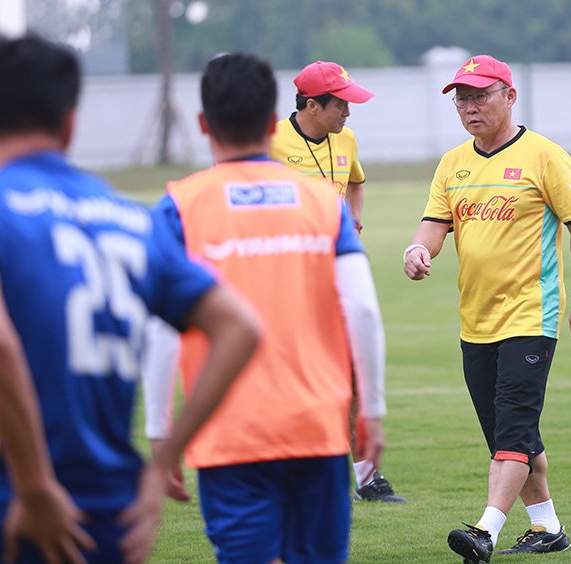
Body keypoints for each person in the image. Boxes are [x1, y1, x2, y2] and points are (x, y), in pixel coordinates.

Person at [0, 34, 259, 564]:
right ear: (70, 125)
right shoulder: (130, 218)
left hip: (10, 509)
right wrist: (164, 457)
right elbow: (240, 328)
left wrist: (33, 486)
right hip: (112, 516)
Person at [142, 51, 388, 563]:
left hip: (230, 429)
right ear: (271, 118)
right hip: (317, 425)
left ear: (204, 123)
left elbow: (161, 328)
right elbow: (362, 309)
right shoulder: (323, 205)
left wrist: (160, 433)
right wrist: (373, 413)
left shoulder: (180, 206)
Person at [403, 54, 571, 563]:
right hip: (476, 320)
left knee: (511, 431)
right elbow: (435, 223)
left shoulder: (545, 156)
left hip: (532, 315)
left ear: (510, 96)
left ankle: (484, 531)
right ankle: (547, 527)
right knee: (512, 434)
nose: (469, 107)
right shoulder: (452, 162)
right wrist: (418, 248)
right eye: (461, 99)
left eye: (480, 96)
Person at [270, 60, 405, 503]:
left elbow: (356, 183)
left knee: (350, 375)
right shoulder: (270, 142)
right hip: (287, 280)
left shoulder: (346, 138)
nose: (348, 113)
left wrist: (355, 220)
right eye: (341, 105)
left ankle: (366, 477)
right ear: (312, 105)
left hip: (339, 273)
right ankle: (297, 473)